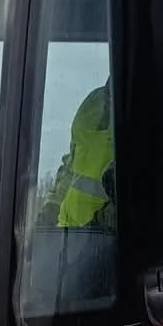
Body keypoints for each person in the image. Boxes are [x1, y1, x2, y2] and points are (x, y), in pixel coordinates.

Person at [40, 79, 115, 229]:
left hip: (102, 242)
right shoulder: (93, 102)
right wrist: (50, 210)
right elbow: (71, 166)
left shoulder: (146, 114)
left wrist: (98, 225)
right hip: (67, 234)